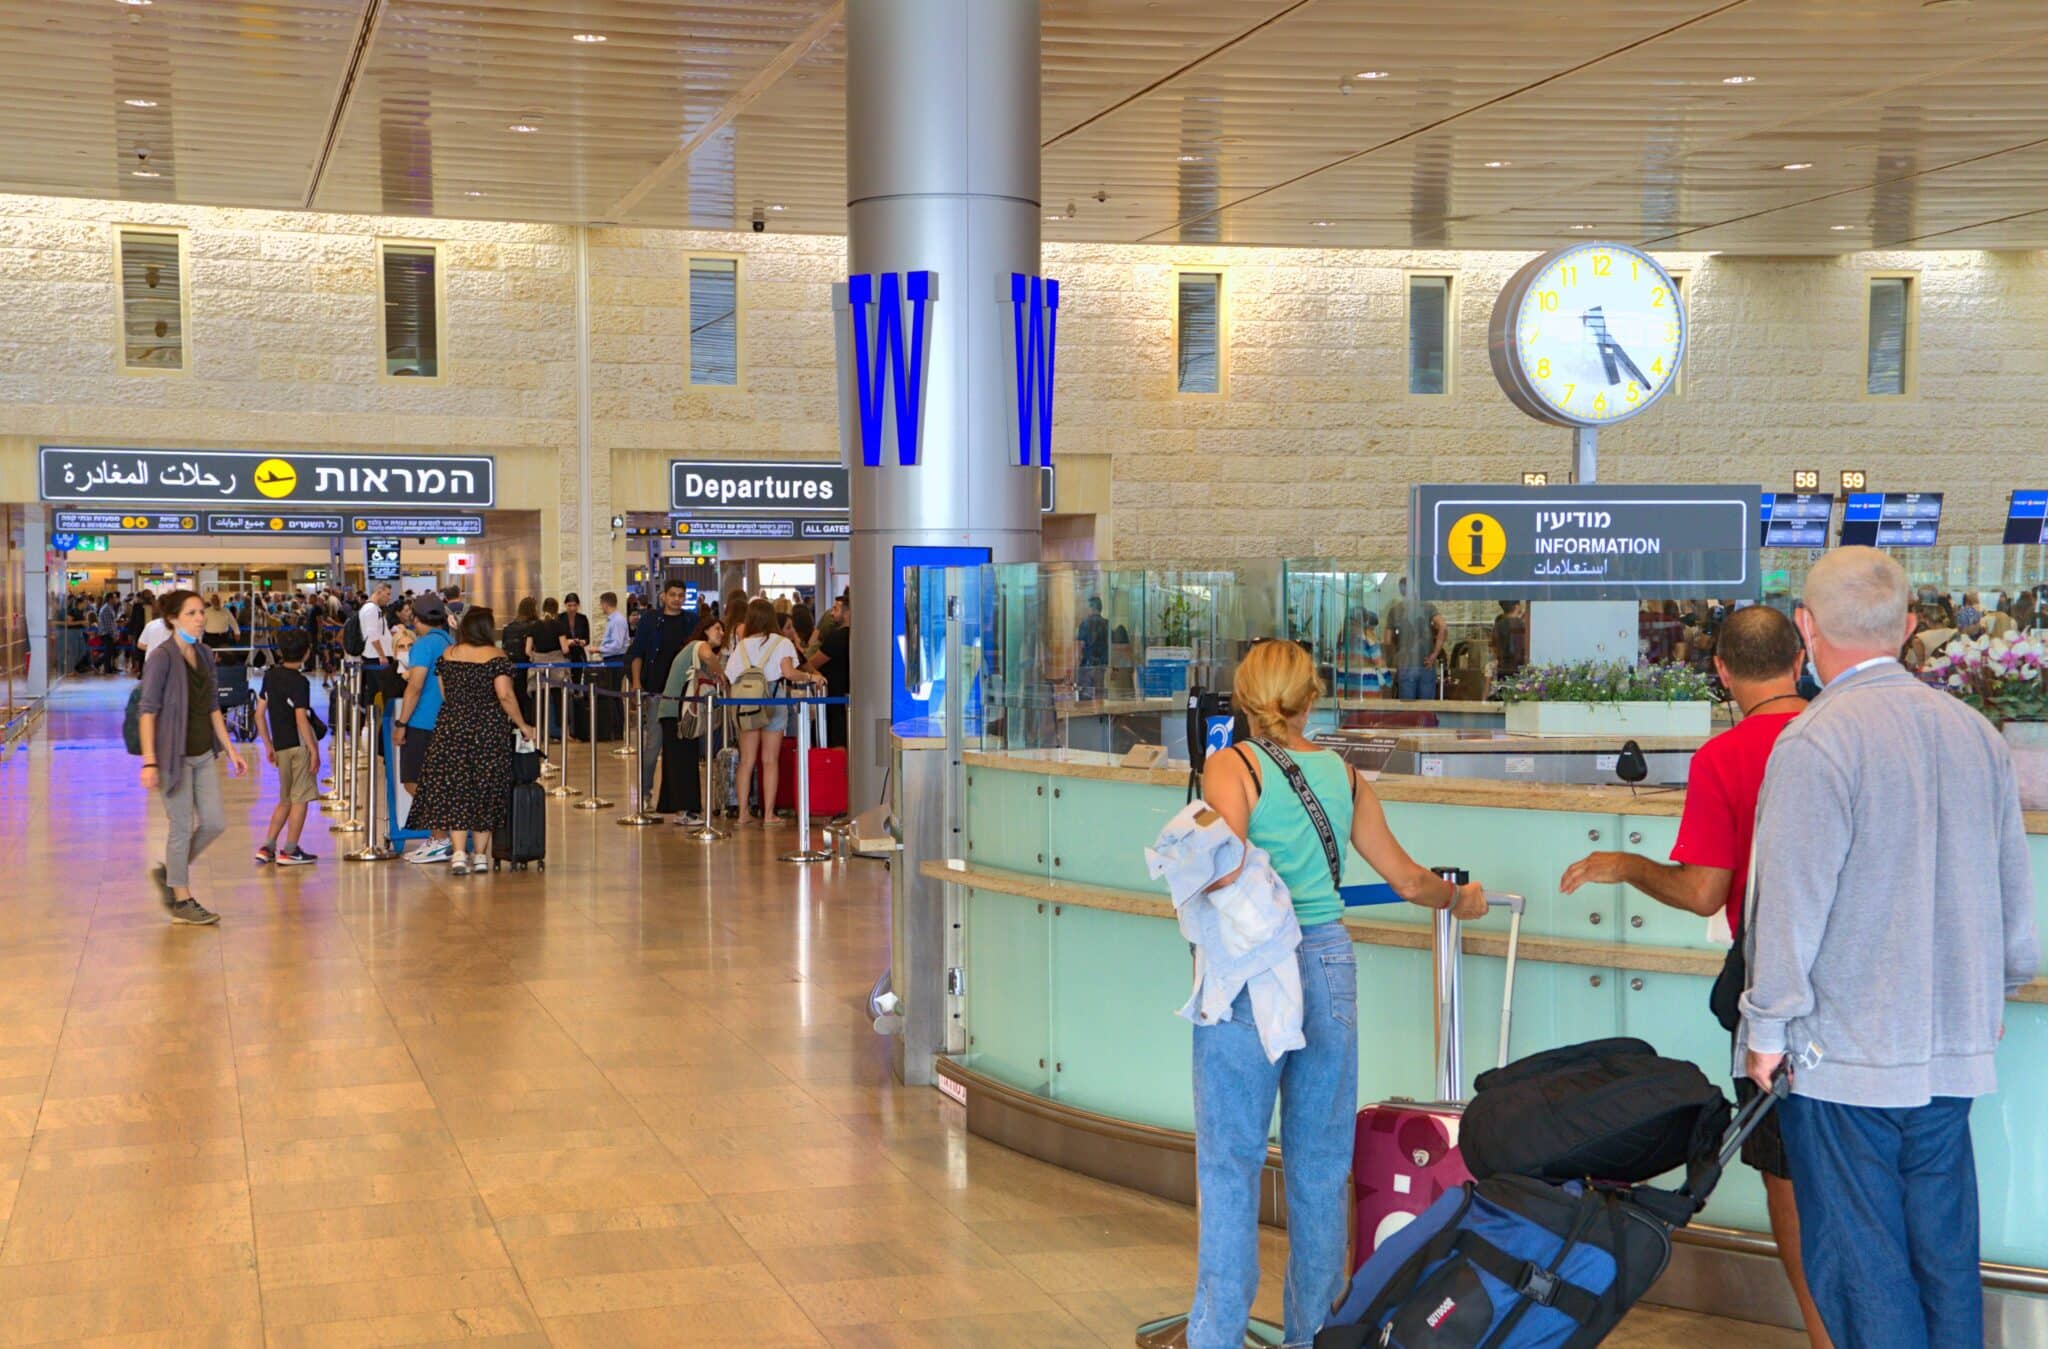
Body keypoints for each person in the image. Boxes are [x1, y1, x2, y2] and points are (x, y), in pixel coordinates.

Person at [1739, 548, 2039, 1349]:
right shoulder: (1976, 733)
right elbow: (2016, 892)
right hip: (1952, 1047)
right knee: (1943, 1256)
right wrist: (1998, 990)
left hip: (1848, 1056)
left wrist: (1764, 1030)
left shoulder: (1816, 741)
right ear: (1909, 628)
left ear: (1806, 630)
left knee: (1862, 1265)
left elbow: (1791, 907)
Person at [1188, 639, 1488, 1348]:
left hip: (1251, 970)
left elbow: (1220, 869)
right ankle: (1317, 1335)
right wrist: (1461, 898)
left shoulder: (1230, 765)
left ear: (1245, 694)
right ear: (1311, 696)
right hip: (1327, 960)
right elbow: (1412, 879)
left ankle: (1216, 1337)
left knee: (1229, 1163)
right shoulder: (1346, 778)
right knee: (1320, 1168)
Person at [1557, 606, 1831, 1347]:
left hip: (1776, 984)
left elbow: (1704, 891)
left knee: (1789, 1176)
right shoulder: (1844, 733)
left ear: (1720, 671)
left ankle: (1824, 1334)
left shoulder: (1728, 756)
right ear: (1800, 655)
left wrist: (1625, 866)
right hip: (1866, 980)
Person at [137, 590, 249, 925]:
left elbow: (213, 705)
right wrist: (149, 760)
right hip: (174, 756)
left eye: (201, 612)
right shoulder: (162, 657)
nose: (200, 618)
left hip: (203, 753)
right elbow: (147, 711)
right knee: (182, 826)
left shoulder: (204, 653)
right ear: (172, 618)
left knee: (215, 822)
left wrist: (231, 750)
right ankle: (182, 898)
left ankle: (172, 872)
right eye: (191, 613)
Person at [404, 607, 539, 875]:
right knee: (485, 789)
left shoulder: (448, 655)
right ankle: (479, 856)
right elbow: (505, 695)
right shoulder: (497, 656)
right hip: (488, 730)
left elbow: (445, 694)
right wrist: (523, 725)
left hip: (452, 728)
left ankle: (457, 854)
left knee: (457, 789)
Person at [726, 595, 822, 827]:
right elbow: (789, 673)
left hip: (746, 701)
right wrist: (811, 676)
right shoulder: (782, 643)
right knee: (770, 759)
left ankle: (743, 814)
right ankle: (769, 814)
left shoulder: (742, 645)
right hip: (774, 699)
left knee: (747, 760)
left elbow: (730, 675)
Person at [394, 592, 457, 864]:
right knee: (436, 781)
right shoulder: (450, 641)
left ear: (418, 619)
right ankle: (441, 837)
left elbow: (416, 685)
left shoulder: (422, 646)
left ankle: (439, 837)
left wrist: (401, 723)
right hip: (446, 721)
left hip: (422, 722)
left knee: (413, 780)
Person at [253, 629, 321, 867]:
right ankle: (290, 849)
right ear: (306, 653)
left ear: (279, 651)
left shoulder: (270, 677)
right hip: (299, 746)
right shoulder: (300, 682)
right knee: (300, 799)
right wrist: (313, 749)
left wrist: (268, 744)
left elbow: (259, 714)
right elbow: (301, 717)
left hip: (280, 746)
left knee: (285, 799)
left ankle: (268, 845)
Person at [629, 581, 698, 808]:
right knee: (653, 746)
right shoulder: (651, 620)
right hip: (657, 692)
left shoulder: (690, 621)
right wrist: (637, 682)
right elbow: (638, 652)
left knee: (679, 749)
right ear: (663, 596)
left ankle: (675, 798)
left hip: (684, 694)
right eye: (673, 595)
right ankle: (645, 792)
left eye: (681, 595)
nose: (677, 599)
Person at [658, 612, 726, 819]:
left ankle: (676, 806)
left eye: (723, 630)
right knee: (684, 760)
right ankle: (687, 810)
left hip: (672, 710)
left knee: (676, 759)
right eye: (717, 628)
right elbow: (707, 656)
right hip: (679, 711)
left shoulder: (690, 649)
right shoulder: (699, 645)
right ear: (705, 630)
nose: (721, 633)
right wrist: (720, 674)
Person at [1384, 576, 1444, 702]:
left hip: (1406, 665)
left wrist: (1395, 659)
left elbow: (1387, 642)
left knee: (1407, 712)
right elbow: (1443, 627)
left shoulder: (1395, 611)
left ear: (1401, 591)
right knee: (1426, 711)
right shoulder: (1429, 607)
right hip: (1426, 664)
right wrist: (1434, 654)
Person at [813, 590, 852, 749]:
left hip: (834, 696)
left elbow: (813, 663)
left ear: (847, 612)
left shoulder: (837, 638)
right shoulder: (855, 636)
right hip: (844, 694)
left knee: (837, 739)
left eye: (836, 609)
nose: (831, 613)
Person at [1074, 596, 1110, 700]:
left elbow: (1080, 646)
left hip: (1087, 665)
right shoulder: (1107, 624)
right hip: (1101, 667)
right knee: (1100, 697)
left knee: (1085, 699)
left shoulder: (1085, 623)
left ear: (1092, 608)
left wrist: (1077, 665)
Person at [1490, 600, 1527, 680]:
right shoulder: (1523, 626)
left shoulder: (1497, 626)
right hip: (1520, 671)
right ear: (1517, 606)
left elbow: (1494, 649)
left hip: (1502, 670)